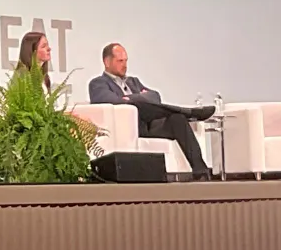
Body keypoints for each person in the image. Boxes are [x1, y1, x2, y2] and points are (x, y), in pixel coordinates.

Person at [87, 42, 214, 180]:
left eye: (126, 61)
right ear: (107, 62)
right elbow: (110, 100)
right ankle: (189, 113)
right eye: (120, 61)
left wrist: (131, 98)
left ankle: (200, 170)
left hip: (150, 124)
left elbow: (155, 96)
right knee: (140, 105)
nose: (125, 65)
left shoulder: (133, 81)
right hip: (132, 127)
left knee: (177, 118)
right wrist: (139, 98)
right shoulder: (98, 83)